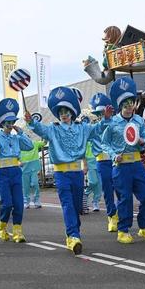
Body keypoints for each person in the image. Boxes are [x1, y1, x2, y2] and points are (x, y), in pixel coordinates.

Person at [25, 87, 112, 255]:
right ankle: (73, 236)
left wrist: (105, 119)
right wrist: (30, 122)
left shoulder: (83, 128)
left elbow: (97, 129)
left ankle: (72, 233)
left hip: (77, 173)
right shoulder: (53, 129)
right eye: (60, 112)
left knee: (77, 205)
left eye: (66, 111)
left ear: (72, 112)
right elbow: (39, 129)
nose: (63, 114)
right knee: (67, 204)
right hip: (61, 174)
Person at [102, 77, 145, 244]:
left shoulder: (139, 120)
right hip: (121, 166)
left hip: (137, 164)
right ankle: (123, 230)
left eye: (131, 102)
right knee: (125, 199)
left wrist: (143, 142)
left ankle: (144, 227)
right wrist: (113, 155)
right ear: (120, 104)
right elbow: (105, 143)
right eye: (125, 103)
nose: (129, 105)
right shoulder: (112, 123)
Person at [0, 98, 33, 242]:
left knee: (19, 203)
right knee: (7, 204)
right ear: (2, 123)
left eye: (12, 122)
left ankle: (17, 232)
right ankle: (2, 226)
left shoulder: (16, 138)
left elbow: (30, 146)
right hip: (2, 172)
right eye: (8, 122)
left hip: (15, 171)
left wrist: (21, 133)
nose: (10, 125)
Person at [89, 93, 119, 232]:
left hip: (117, 161)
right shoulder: (94, 127)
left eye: (103, 111)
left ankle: (121, 214)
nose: (101, 114)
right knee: (107, 191)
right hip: (102, 161)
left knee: (120, 189)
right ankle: (112, 216)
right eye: (98, 112)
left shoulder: (116, 123)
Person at [20, 137, 46, 209]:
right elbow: (15, 156)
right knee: (26, 187)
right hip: (24, 169)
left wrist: (46, 135)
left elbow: (44, 143)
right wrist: (19, 162)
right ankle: (26, 202)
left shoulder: (34, 143)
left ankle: (37, 201)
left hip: (33, 168)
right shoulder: (19, 146)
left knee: (35, 184)